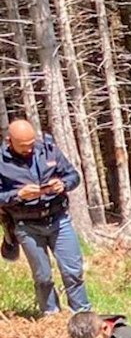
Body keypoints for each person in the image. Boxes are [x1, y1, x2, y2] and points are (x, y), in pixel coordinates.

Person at [0, 120, 88, 316]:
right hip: (27, 225)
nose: (29, 149)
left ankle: (82, 314)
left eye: (32, 144)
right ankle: (50, 315)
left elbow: (74, 176)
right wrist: (18, 195)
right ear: (9, 141)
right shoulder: (1, 162)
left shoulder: (49, 150)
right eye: (23, 147)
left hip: (58, 219)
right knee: (43, 277)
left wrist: (63, 184)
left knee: (73, 271)